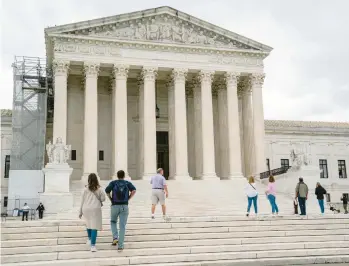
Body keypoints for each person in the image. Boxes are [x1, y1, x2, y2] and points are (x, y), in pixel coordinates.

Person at [105, 170, 136, 251]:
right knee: (122, 226)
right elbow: (134, 190)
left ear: (117, 176)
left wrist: (110, 198)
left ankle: (115, 237)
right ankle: (120, 246)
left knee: (113, 222)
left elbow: (107, 191)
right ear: (124, 176)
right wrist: (129, 198)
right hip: (124, 206)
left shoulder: (113, 183)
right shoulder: (127, 183)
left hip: (115, 205)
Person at [79, 173, 106, 252]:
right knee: (94, 226)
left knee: (88, 224)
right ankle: (93, 246)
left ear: (88, 179)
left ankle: (90, 239)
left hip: (86, 209)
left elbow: (82, 201)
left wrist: (80, 212)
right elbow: (103, 199)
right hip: (95, 209)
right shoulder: (99, 189)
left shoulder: (85, 189)